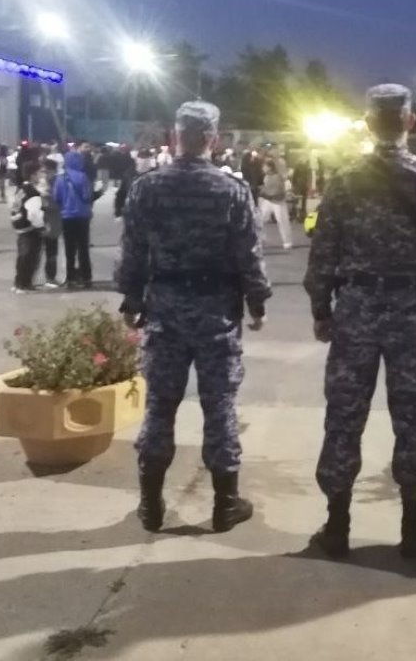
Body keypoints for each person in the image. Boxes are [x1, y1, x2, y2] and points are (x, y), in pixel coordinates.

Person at [303, 84, 416, 559]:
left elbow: (323, 252)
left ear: (368, 123)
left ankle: (337, 525)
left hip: (356, 308)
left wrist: (321, 309)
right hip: (410, 310)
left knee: (344, 415)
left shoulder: (345, 179)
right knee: (413, 415)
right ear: (410, 122)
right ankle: (413, 528)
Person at [117, 101, 271, 534]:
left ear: (175, 136)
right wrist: (257, 301)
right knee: (219, 405)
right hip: (216, 311)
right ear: (212, 139)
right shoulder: (230, 189)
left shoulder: (147, 187)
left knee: (160, 405)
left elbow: (133, 251)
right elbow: (248, 253)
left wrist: (131, 299)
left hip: (164, 309)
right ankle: (225, 504)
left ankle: (150, 504)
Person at [53, 151, 94, 289]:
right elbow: (87, 195)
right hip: (83, 217)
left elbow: (56, 197)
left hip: (67, 217)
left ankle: (70, 278)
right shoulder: (83, 177)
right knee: (83, 248)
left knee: (69, 249)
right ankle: (86, 277)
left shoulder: (60, 178)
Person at [10, 161, 45, 293]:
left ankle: (20, 282)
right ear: (33, 175)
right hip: (29, 228)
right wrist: (41, 227)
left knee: (22, 256)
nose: (41, 176)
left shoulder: (21, 189)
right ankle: (23, 283)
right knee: (30, 256)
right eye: (39, 173)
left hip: (19, 225)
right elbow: (34, 214)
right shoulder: (32, 192)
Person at [258, 159, 293, 249]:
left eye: (264, 166)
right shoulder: (266, 177)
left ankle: (287, 241)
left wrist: (265, 193)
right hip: (268, 201)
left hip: (278, 201)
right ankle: (261, 240)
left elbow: (277, 191)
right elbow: (266, 188)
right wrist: (262, 192)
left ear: (269, 167)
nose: (263, 168)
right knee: (261, 220)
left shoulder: (277, 177)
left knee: (282, 221)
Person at [39, 158, 62, 289]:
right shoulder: (40, 184)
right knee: (35, 252)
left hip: (52, 224)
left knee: (52, 252)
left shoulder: (57, 183)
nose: (44, 174)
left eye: (47, 171)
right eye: (43, 171)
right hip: (40, 223)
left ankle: (50, 277)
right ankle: (26, 279)